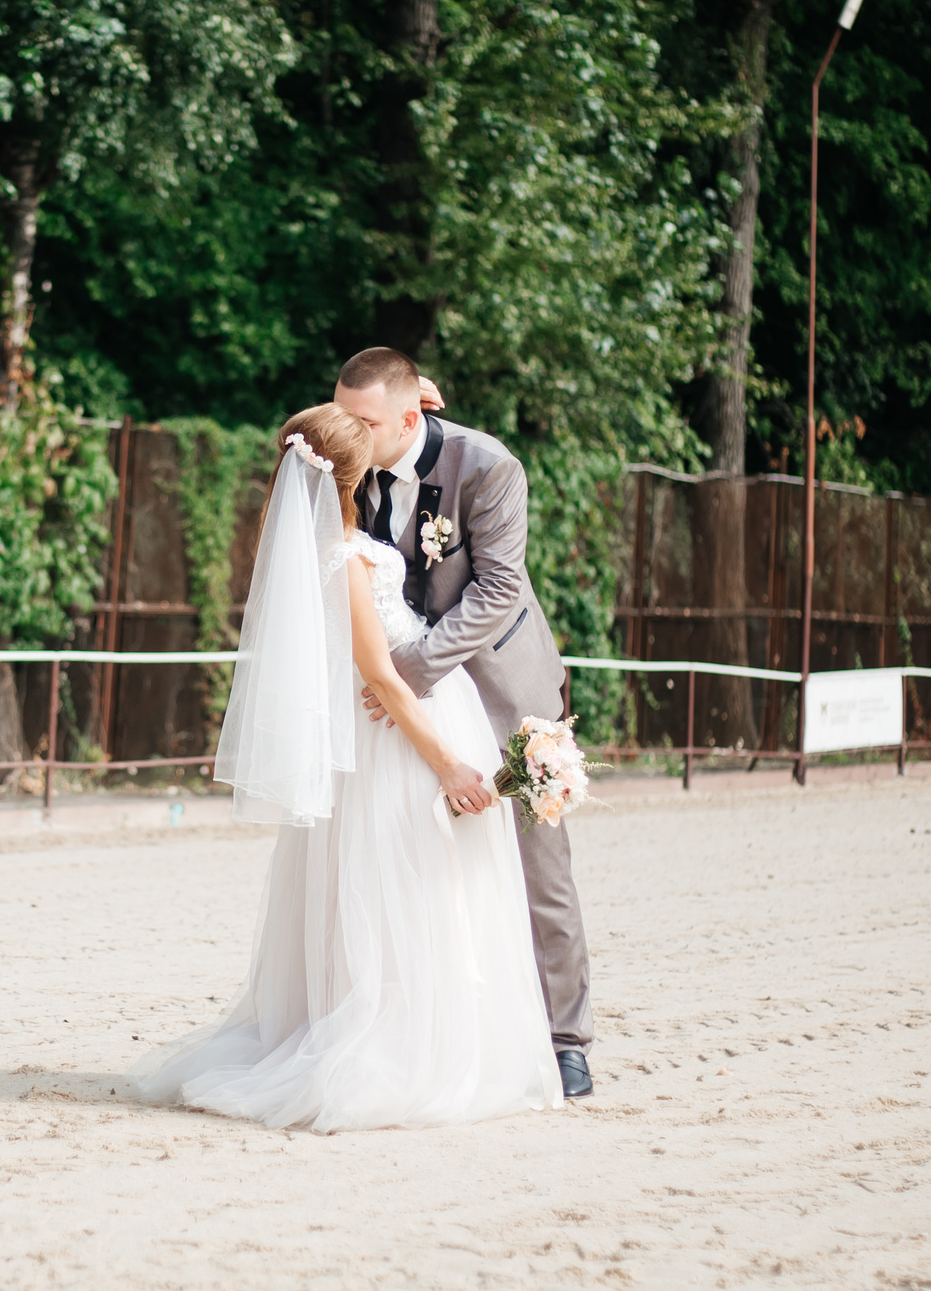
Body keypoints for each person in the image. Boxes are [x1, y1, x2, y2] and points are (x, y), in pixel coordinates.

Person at [129, 403, 563, 1132]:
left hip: (398, 727)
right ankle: (412, 1047)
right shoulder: (348, 555)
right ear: (353, 467)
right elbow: (384, 678)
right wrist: (451, 764)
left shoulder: (337, 542)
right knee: (414, 893)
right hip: (400, 738)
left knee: (411, 891)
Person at [331, 347, 595, 1098]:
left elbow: (500, 589)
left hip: (500, 686)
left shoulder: (487, 466)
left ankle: (565, 1038)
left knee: (537, 861)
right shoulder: (353, 465)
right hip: (409, 711)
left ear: (412, 416)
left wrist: (406, 674)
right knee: (423, 858)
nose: (351, 431)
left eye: (366, 421)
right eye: (343, 416)